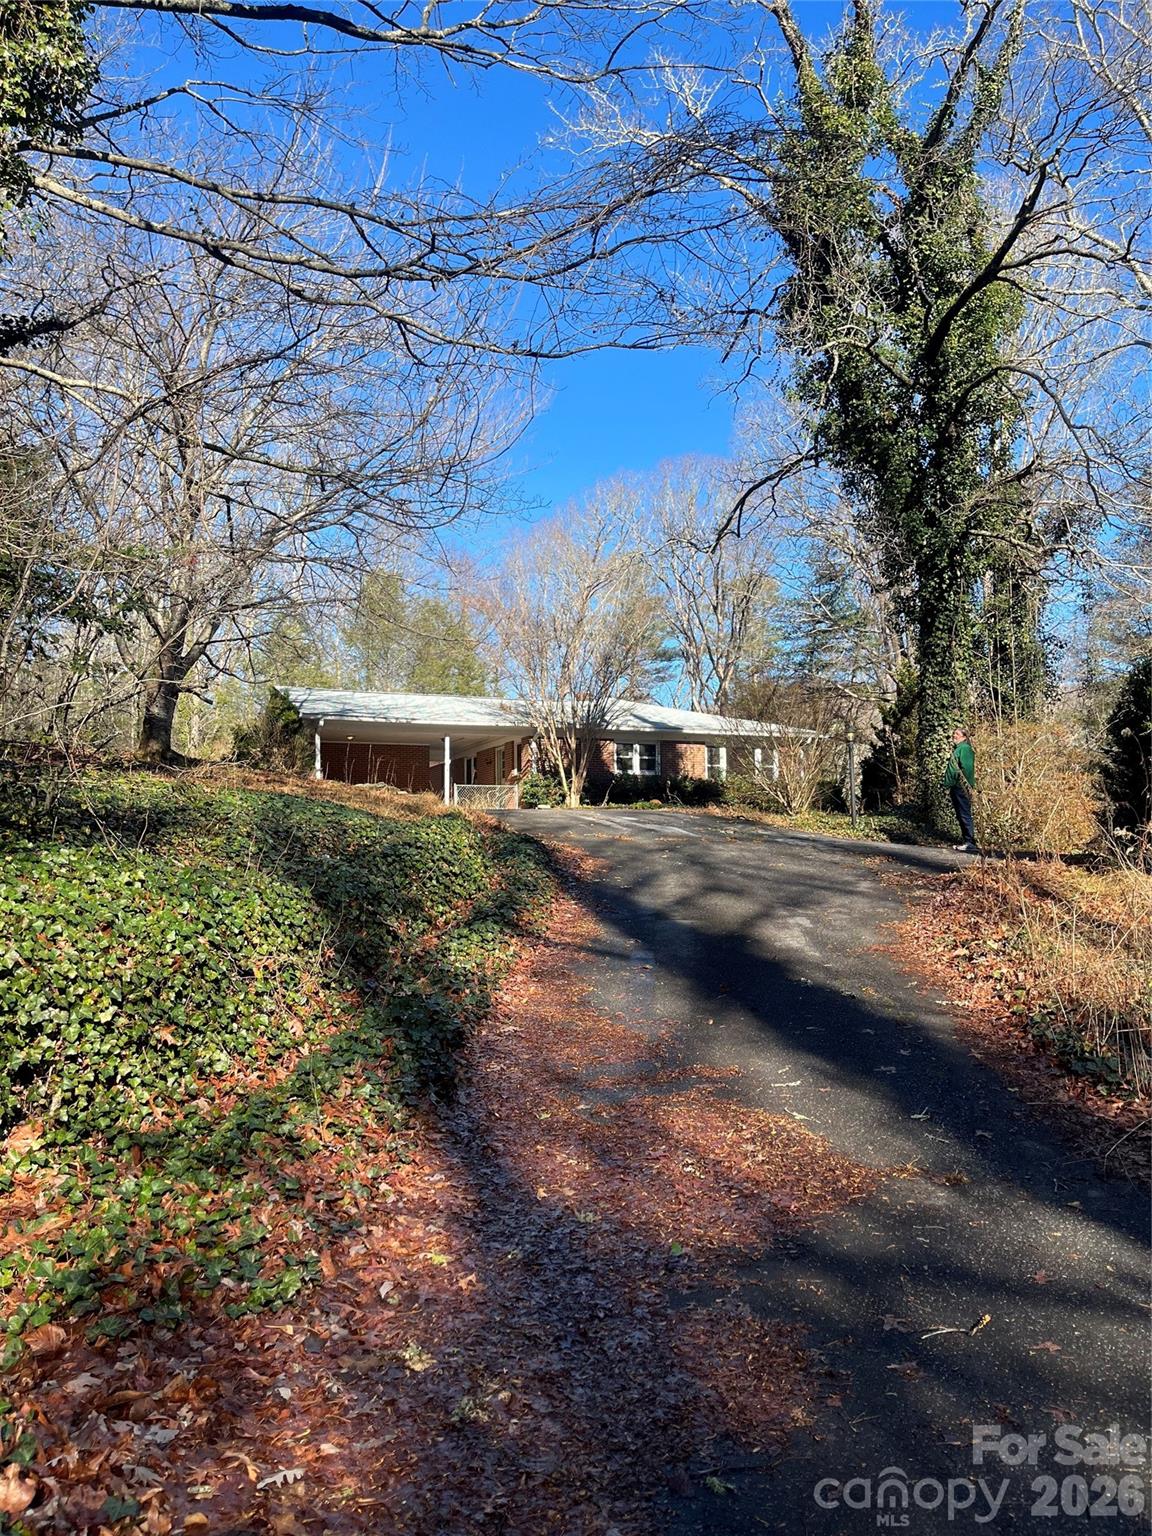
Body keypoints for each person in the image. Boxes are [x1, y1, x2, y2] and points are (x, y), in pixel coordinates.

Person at [944, 726, 978, 852]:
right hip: (956, 786)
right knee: (960, 814)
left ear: (964, 737)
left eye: (957, 734)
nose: (954, 735)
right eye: (954, 733)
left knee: (964, 814)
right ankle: (967, 841)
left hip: (961, 787)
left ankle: (970, 842)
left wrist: (964, 785)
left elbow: (967, 769)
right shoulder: (959, 749)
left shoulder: (965, 749)